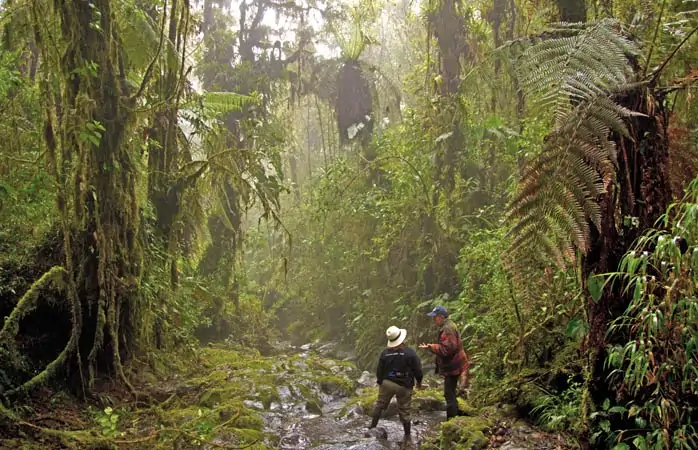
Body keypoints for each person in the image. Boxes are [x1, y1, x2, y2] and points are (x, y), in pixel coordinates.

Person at [369, 325, 423, 440]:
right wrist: (419, 382)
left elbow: (379, 370)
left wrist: (380, 382)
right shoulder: (410, 353)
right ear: (402, 339)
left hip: (387, 383)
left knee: (380, 405)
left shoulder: (385, 353)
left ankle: (372, 428)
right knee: (405, 410)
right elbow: (417, 370)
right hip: (404, 387)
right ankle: (407, 436)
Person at [419, 306, 469, 420]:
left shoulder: (447, 328)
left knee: (448, 394)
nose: (434, 320)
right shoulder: (448, 325)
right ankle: (455, 417)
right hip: (456, 363)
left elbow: (448, 349)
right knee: (451, 392)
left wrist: (431, 347)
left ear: (441, 317)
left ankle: (452, 420)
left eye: (435, 317)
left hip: (454, 365)